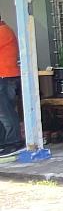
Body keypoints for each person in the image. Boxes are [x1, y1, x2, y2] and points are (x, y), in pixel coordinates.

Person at [0, 14, 23, 157]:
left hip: (5, 77)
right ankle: (4, 142)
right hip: (5, 77)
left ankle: (13, 141)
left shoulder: (3, 31)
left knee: (5, 112)